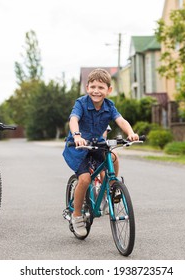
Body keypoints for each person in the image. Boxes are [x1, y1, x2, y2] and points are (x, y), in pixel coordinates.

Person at [63, 68, 138, 237]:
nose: (96, 91)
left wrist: (131, 133)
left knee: (113, 157)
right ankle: (76, 216)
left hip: (97, 145)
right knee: (85, 179)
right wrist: (77, 135)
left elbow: (121, 120)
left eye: (101, 87)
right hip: (78, 147)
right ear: (87, 87)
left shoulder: (109, 106)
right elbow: (73, 119)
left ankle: (111, 189)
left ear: (108, 90)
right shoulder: (81, 103)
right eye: (93, 87)